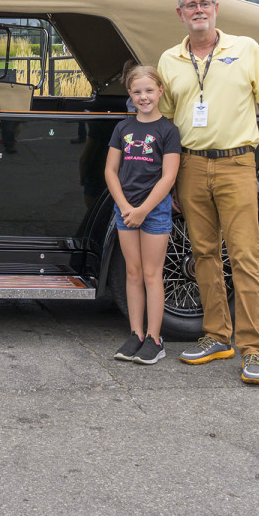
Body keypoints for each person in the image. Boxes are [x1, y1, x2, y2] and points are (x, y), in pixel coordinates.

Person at [157, 0, 259, 386]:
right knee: (203, 254)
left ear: (216, 8)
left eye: (204, 3)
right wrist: (171, 178)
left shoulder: (245, 49)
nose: (198, 9)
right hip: (191, 166)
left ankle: (253, 349)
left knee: (245, 256)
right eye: (190, 4)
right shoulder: (169, 60)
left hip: (236, 163)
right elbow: (169, 124)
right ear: (180, 13)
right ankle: (216, 336)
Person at [105, 65, 181, 366]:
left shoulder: (168, 131)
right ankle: (135, 333)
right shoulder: (123, 129)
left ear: (160, 91)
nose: (143, 97)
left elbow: (168, 177)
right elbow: (111, 171)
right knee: (133, 272)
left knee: (152, 274)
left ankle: (154, 337)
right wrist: (125, 206)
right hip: (125, 209)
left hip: (154, 211)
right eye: (137, 92)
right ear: (130, 95)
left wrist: (143, 210)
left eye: (149, 90)